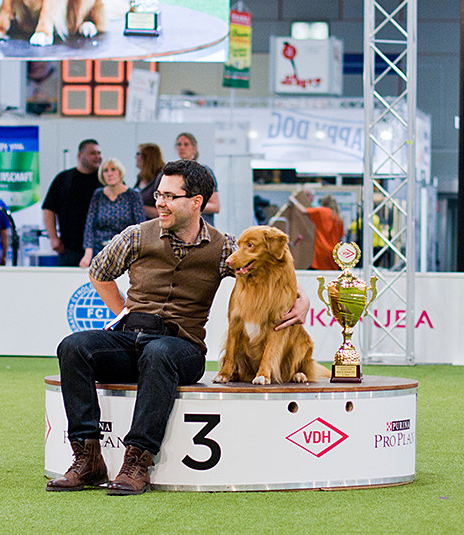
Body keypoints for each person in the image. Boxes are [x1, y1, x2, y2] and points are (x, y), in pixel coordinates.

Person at [48, 160, 311, 495]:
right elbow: (99, 272)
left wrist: (302, 300)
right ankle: (87, 459)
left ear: (196, 202)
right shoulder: (136, 235)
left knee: (159, 353)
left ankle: (136, 462)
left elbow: (274, 269)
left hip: (182, 346)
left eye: (170, 196)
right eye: (159, 194)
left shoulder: (225, 248)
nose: (160, 202)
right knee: (73, 346)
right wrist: (123, 310)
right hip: (130, 336)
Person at [42, 139, 102, 266]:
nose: (98, 157)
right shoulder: (63, 179)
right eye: (93, 153)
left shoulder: (104, 180)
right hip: (69, 249)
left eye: (99, 153)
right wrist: (53, 238)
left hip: (100, 249)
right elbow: (48, 209)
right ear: (80, 156)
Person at [80, 158, 144, 268]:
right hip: (100, 249)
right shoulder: (98, 195)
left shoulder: (133, 195)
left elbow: (141, 226)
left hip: (125, 249)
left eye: (113, 169)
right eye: (106, 170)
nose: (109, 174)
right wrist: (88, 253)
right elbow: (90, 225)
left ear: (120, 172)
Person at [291, 191, 345, 271]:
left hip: (321, 251)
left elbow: (303, 211)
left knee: (319, 276)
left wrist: (293, 201)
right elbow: (341, 238)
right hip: (334, 252)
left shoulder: (321, 211)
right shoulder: (339, 218)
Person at [174, 132, 220, 225]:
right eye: (179, 144)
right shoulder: (174, 173)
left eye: (186, 144)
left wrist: (189, 204)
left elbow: (215, 206)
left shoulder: (204, 172)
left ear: (195, 149)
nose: (182, 147)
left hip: (202, 227)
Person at [134, 143, 164, 220]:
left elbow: (162, 211)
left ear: (147, 157)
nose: (135, 157)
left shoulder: (160, 178)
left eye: (138, 154)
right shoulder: (141, 177)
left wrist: (138, 207)